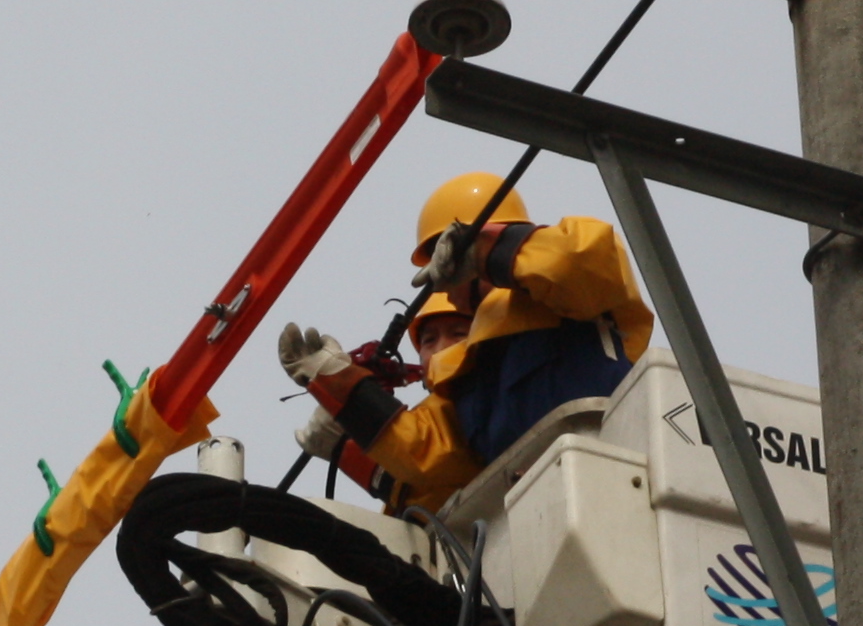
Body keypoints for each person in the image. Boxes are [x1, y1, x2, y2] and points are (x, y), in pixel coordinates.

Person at [278, 171, 654, 511]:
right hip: (544, 508)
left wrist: (485, 252)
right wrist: (340, 388)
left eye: (445, 256)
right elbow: (423, 457)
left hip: (622, 465)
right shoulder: (465, 384)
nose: (442, 281)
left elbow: (578, 260)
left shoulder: (564, 300)